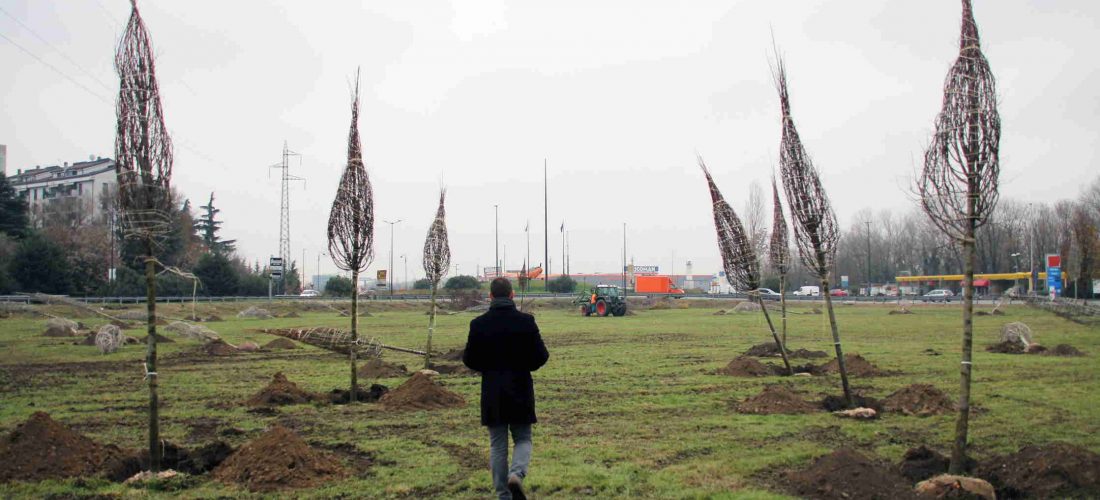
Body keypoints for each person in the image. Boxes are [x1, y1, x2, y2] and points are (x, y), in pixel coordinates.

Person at [463, 277, 549, 500]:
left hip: (492, 391)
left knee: (498, 445)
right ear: (512, 295)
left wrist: (488, 368)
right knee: (523, 438)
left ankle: (503, 495)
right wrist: (525, 365)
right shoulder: (526, 322)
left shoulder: (478, 324)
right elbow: (542, 356)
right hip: (520, 388)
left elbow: (469, 359)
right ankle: (517, 474)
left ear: (490, 297)